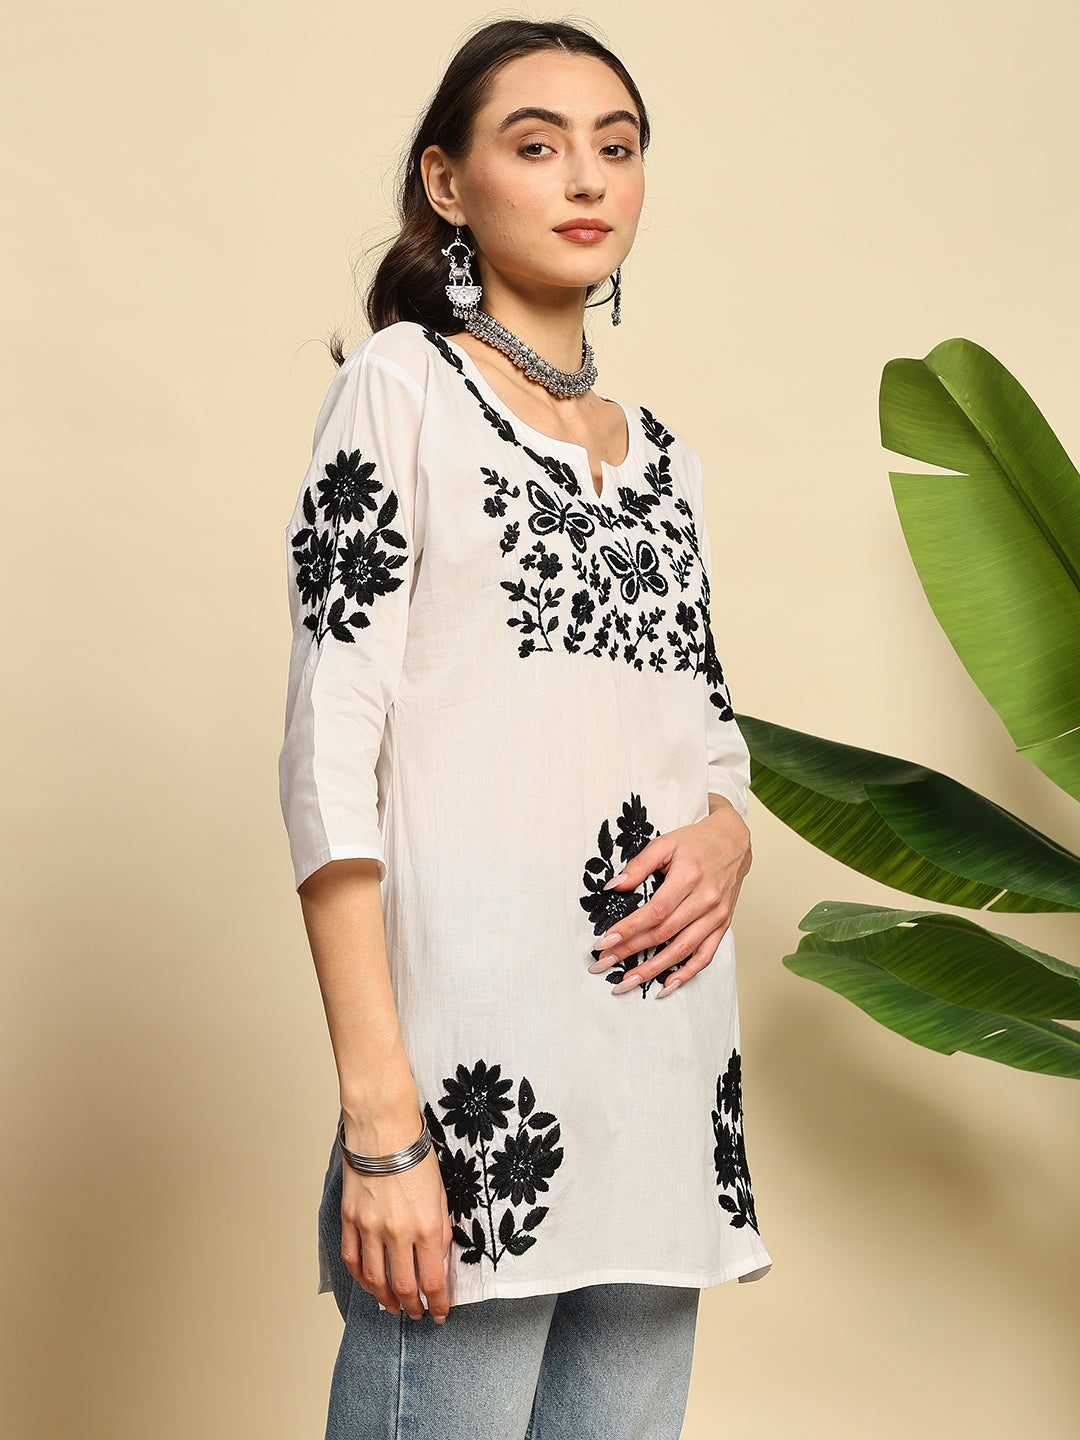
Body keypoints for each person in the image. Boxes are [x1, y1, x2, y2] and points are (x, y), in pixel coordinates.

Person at [277, 17, 772, 1439]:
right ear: (448, 183)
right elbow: (328, 760)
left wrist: (729, 837)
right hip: (476, 1093)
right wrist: (384, 1123)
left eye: (616, 146)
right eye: (537, 144)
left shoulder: (663, 459)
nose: (588, 178)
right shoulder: (400, 390)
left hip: (662, 1087)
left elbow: (707, 738)